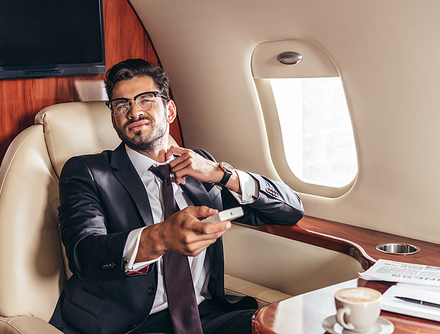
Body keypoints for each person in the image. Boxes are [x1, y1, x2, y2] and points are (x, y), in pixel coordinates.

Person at [50, 58, 304, 334]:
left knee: (294, 326)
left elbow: (290, 211)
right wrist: (159, 238)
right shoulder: (86, 171)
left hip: (205, 316)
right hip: (131, 325)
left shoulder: (200, 166)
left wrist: (221, 174)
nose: (134, 112)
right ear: (114, 120)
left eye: (146, 99)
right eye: (122, 105)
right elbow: (83, 254)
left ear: (170, 110)